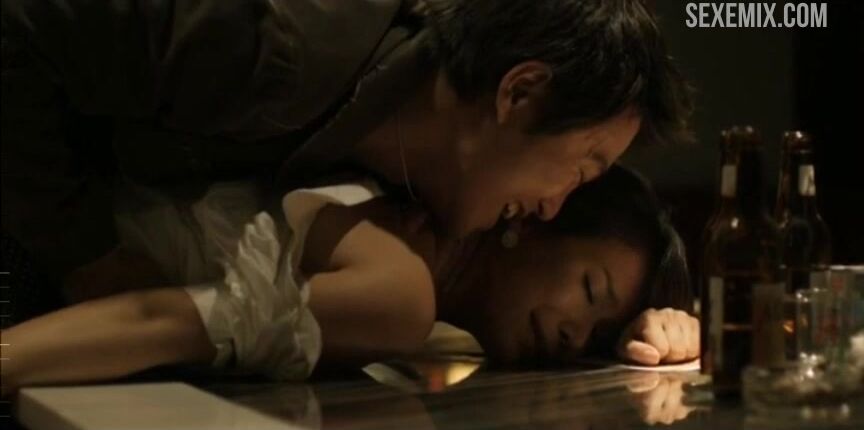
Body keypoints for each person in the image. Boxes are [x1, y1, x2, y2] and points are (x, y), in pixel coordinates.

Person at [1, 0, 692, 307]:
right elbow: (18, 28)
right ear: (521, 92)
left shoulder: (398, 159)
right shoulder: (278, 39)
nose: (553, 208)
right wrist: (88, 258)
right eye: (581, 168)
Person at [0, 165, 697, 396]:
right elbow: (162, 319)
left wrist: (644, 334)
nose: (576, 333)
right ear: (536, 217)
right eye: (590, 291)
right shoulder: (402, 288)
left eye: (595, 333)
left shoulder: (419, 284)